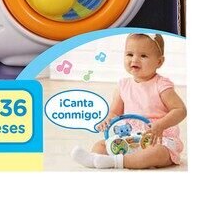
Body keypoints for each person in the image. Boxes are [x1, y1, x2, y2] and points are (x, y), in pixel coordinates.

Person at [71, 33, 187, 169]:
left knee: (156, 153)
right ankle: (95, 158)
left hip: (157, 139)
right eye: (130, 54)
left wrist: (161, 125)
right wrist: (107, 120)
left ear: (159, 62)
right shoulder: (123, 85)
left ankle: (115, 162)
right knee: (100, 146)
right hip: (129, 138)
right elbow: (114, 112)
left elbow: (180, 110)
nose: (135, 59)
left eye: (143, 56)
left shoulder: (161, 85)